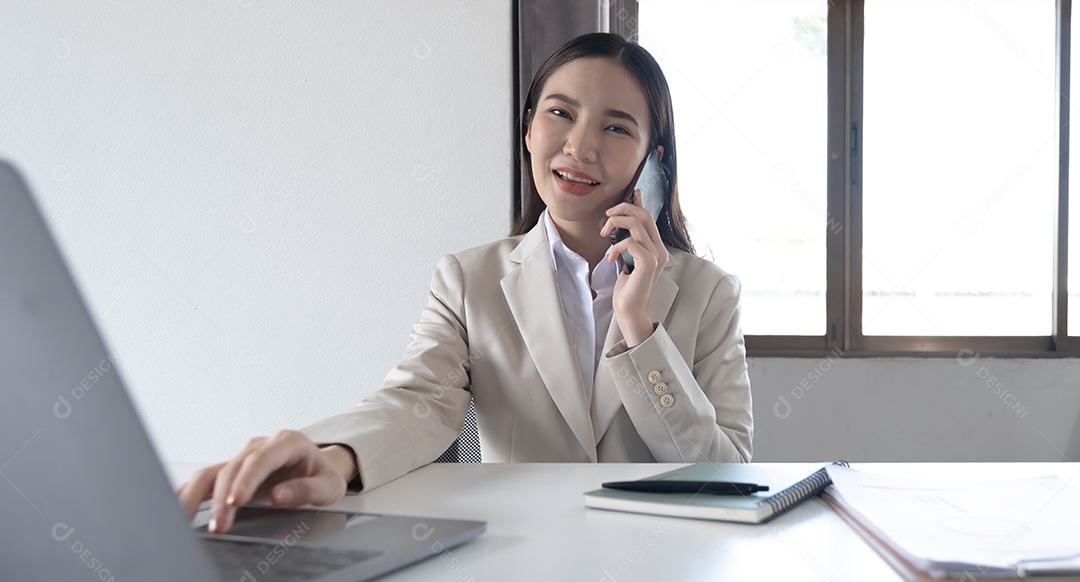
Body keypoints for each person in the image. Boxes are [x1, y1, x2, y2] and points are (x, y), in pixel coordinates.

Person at [177, 32, 753, 534]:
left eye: (615, 127)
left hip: (663, 560)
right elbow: (416, 405)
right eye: (560, 113)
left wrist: (639, 326)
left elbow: (725, 473)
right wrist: (334, 456)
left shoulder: (710, 294)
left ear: (651, 164)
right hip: (518, 557)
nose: (580, 145)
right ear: (528, 130)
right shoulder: (468, 279)